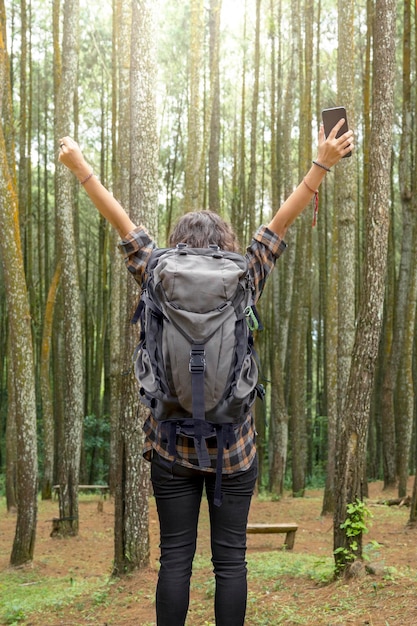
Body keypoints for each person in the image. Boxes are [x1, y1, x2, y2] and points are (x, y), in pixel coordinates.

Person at [58, 118, 353, 626]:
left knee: (174, 560)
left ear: (178, 241)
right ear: (223, 241)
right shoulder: (244, 272)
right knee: (230, 562)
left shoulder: (156, 268)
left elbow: (120, 221)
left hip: (169, 446)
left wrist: (80, 165)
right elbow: (281, 221)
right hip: (234, 450)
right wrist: (321, 164)